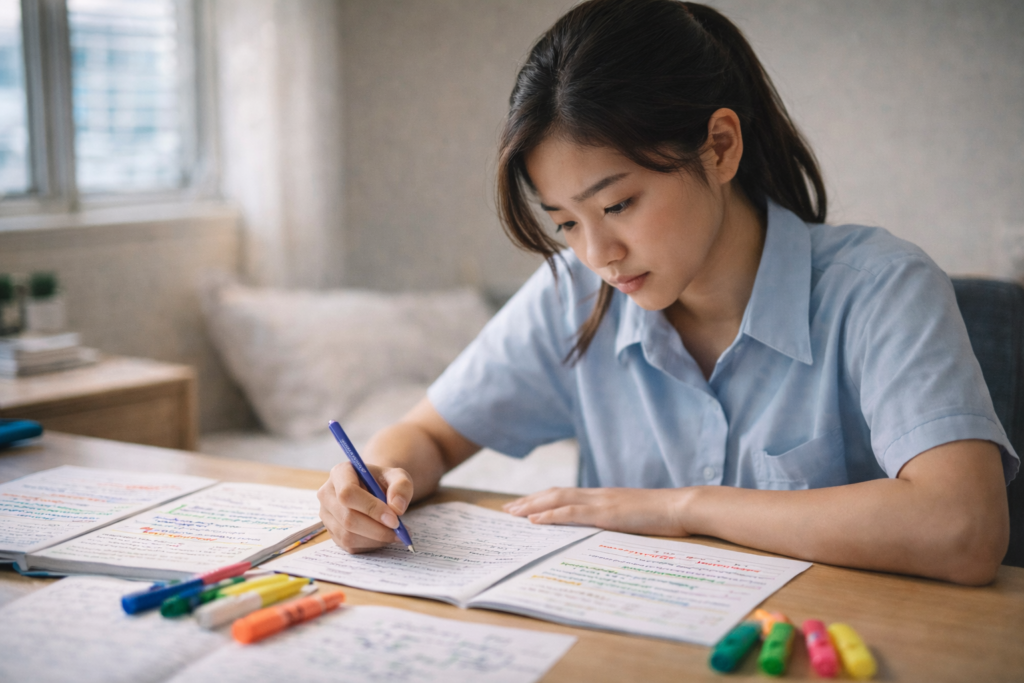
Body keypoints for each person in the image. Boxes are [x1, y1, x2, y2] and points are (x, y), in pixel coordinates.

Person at [317, 0, 1018, 585]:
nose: (598, 254)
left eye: (618, 204)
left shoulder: (881, 287)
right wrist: (377, 478)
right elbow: (428, 435)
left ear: (718, 147)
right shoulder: (574, 294)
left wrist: (684, 507)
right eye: (565, 222)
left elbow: (964, 526)